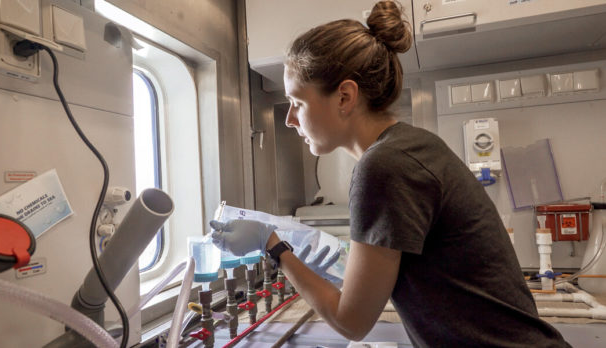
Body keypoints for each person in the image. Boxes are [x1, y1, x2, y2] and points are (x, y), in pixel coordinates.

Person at [210, 1, 572, 346]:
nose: (290, 119)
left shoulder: (383, 167)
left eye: (298, 103)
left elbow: (351, 321)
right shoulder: (409, 147)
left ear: (344, 97)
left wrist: (272, 246)